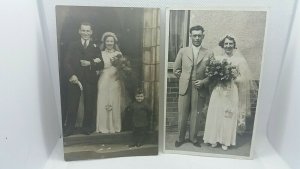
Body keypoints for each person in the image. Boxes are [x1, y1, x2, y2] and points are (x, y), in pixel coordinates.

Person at [203, 34, 255, 150]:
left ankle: (225, 141)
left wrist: (230, 77)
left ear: (234, 46)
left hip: (231, 91)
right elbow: (212, 75)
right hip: (219, 90)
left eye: (230, 44)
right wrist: (217, 76)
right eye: (226, 44)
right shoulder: (218, 59)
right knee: (216, 113)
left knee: (228, 115)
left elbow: (243, 78)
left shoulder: (239, 60)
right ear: (223, 45)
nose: (228, 46)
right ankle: (214, 139)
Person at [173, 25, 213, 147]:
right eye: (194, 35)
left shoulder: (208, 53)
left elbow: (212, 73)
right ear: (190, 36)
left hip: (199, 88)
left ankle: (193, 139)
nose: (196, 38)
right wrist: (185, 78)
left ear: (203, 36)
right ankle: (180, 138)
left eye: (199, 36)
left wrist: (204, 82)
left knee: (196, 114)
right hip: (185, 87)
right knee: (182, 114)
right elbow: (176, 69)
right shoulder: (183, 51)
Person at [64, 22, 104, 137]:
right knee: (72, 104)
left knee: (89, 104)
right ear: (79, 31)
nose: (86, 33)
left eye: (88, 31)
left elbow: (101, 63)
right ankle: (69, 128)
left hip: (90, 79)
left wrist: (90, 63)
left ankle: (87, 128)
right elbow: (66, 62)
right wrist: (71, 75)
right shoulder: (73, 45)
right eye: (83, 30)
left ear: (91, 32)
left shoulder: (95, 47)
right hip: (75, 79)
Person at [96, 32, 128, 133]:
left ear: (114, 42)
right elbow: (98, 68)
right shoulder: (100, 54)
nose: (109, 43)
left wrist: (121, 67)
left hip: (115, 80)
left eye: (111, 41)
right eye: (107, 41)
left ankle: (114, 126)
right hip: (104, 79)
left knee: (114, 100)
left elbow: (122, 68)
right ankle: (103, 126)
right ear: (104, 42)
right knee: (103, 100)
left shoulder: (118, 54)